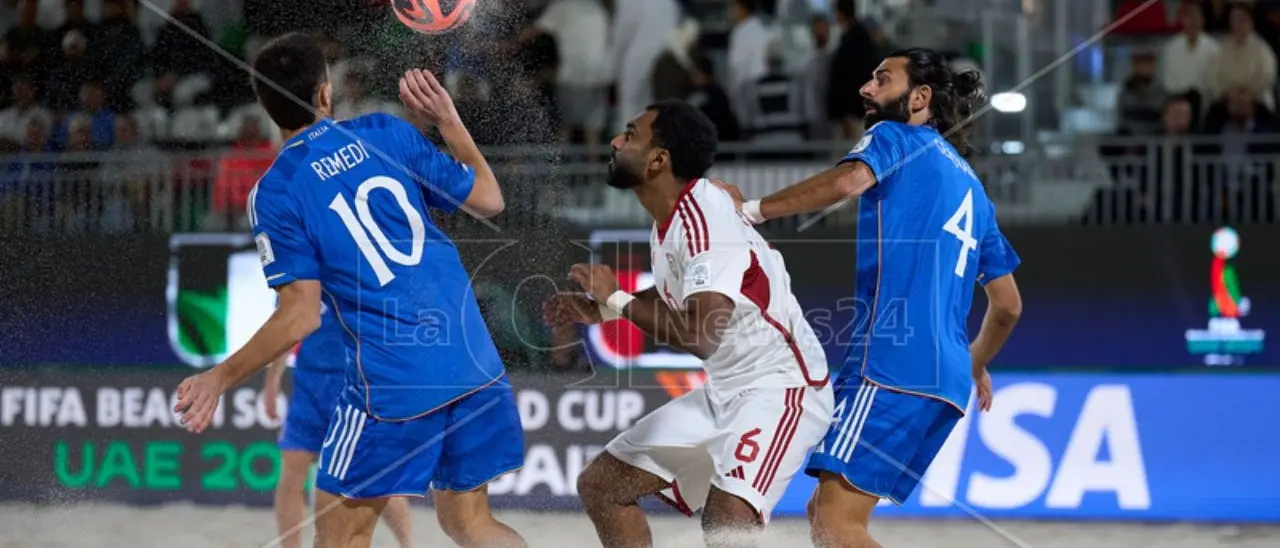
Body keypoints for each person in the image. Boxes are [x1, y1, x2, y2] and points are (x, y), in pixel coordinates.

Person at [173, 33, 527, 548]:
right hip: (473, 361)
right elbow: (490, 200)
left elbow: (300, 316)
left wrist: (220, 377)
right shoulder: (388, 132)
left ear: (266, 108)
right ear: (324, 93)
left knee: (338, 537)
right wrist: (449, 120)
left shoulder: (275, 190)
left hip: (393, 383)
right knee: (470, 524)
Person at [718, 48, 1023, 548]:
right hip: (945, 379)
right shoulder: (974, 189)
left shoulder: (895, 136)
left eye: (882, 79)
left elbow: (847, 180)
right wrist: (974, 361)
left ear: (919, 97)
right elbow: (1008, 305)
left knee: (836, 523)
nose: (866, 88)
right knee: (827, 512)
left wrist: (749, 211)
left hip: (891, 365)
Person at [545, 100, 834, 547]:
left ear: (660, 159)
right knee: (602, 486)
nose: (615, 142)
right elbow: (674, 296)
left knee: (727, 520)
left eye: (629, 135)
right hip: (726, 390)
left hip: (783, 388)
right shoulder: (672, 219)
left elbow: (700, 336)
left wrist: (616, 297)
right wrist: (600, 310)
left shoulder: (705, 218)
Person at [261, 301, 412, 548]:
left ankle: (408, 545)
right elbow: (283, 330)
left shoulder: (356, 271)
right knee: (291, 474)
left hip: (355, 385)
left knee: (376, 480)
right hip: (309, 386)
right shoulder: (298, 275)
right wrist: (272, 383)